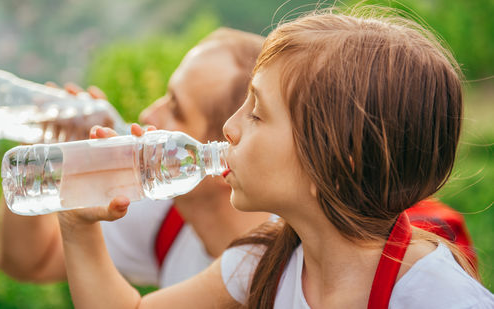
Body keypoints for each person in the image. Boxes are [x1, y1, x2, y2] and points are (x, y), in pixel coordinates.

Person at [57, 8, 494, 308]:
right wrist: (77, 224)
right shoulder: (266, 260)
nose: (229, 127)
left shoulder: (436, 296)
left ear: (335, 164)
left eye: (257, 113)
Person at [0, 27, 270, 285]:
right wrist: (43, 150)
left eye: (175, 109)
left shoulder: (275, 272)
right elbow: (29, 263)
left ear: (226, 157)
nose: (147, 115)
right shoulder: (166, 218)